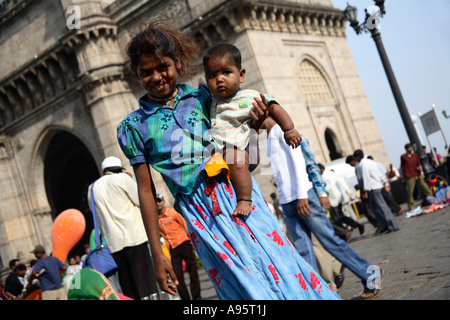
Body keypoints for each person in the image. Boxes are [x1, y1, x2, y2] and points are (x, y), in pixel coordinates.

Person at [117, 20, 340, 300]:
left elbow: (248, 157)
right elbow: (146, 191)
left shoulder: (204, 97)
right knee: (241, 286)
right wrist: (157, 251)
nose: (158, 77)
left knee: (277, 264)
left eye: (163, 67)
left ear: (176, 62)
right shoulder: (134, 126)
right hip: (201, 215)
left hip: (240, 196)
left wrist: (256, 129)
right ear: (136, 75)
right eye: (146, 72)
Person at [263, 117, 383, 300]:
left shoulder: (291, 134)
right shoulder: (268, 140)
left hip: (304, 197)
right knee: (303, 252)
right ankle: (316, 295)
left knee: (329, 242)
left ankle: (369, 272)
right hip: (287, 202)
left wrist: (320, 194)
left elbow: (310, 166)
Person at [203, 43, 301, 216]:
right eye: (212, 75)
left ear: (241, 75)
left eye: (226, 72)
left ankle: (245, 199)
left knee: (236, 160)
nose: (219, 79)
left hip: (244, 147)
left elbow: (273, 107)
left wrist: (289, 129)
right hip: (221, 150)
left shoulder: (249, 97)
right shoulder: (211, 100)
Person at [87, 156, 158, 300]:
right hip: (135, 239)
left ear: (103, 172)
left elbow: (97, 216)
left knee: (128, 289)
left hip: (113, 246)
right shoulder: (122, 179)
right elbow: (142, 201)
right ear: (120, 169)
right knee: (146, 288)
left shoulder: (92, 189)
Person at [157, 193, 201, 300]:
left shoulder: (172, 212)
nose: (157, 204)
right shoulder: (156, 219)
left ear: (163, 202)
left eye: (159, 201)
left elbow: (184, 224)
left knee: (193, 272)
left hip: (184, 243)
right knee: (177, 276)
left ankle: (196, 297)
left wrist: (192, 242)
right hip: (172, 249)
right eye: (155, 202)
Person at [354, 150, 399, 233]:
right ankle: (386, 225)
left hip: (373, 188)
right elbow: (380, 173)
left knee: (383, 207)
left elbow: (366, 178)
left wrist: (365, 191)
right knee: (374, 207)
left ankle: (392, 226)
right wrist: (385, 182)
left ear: (357, 157)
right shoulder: (371, 162)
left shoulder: (363, 165)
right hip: (379, 185)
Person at [318, 163, 365, 239]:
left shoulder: (323, 177)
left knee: (336, 219)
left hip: (332, 200)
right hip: (339, 197)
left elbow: (327, 189)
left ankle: (344, 234)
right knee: (341, 216)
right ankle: (356, 225)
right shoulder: (331, 173)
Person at [346, 156, 381, 231]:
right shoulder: (359, 166)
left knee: (367, 209)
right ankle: (379, 223)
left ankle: (378, 224)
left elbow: (363, 180)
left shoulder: (358, 167)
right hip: (366, 189)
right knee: (369, 208)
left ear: (352, 161)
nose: (350, 165)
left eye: (349, 163)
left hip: (364, 190)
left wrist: (364, 192)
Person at [400, 143, 433, 211]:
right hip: (409, 176)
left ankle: (432, 198)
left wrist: (422, 172)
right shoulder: (403, 156)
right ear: (406, 149)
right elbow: (402, 167)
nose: (411, 149)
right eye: (409, 148)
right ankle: (411, 206)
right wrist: (403, 177)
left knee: (425, 187)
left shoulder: (415, 155)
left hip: (417, 174)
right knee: (410, 191)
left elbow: (419, 164)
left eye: (411, 147)